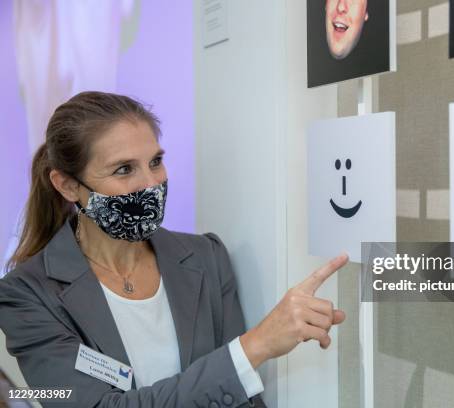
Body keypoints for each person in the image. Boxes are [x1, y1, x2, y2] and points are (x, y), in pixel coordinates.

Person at [0, 91, 348, 407]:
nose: (151, 183)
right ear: (67, 185)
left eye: (155, 161)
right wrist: (254, 347)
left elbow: (243, 399)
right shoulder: (27, 297)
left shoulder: (205, 257)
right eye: (124, 169)